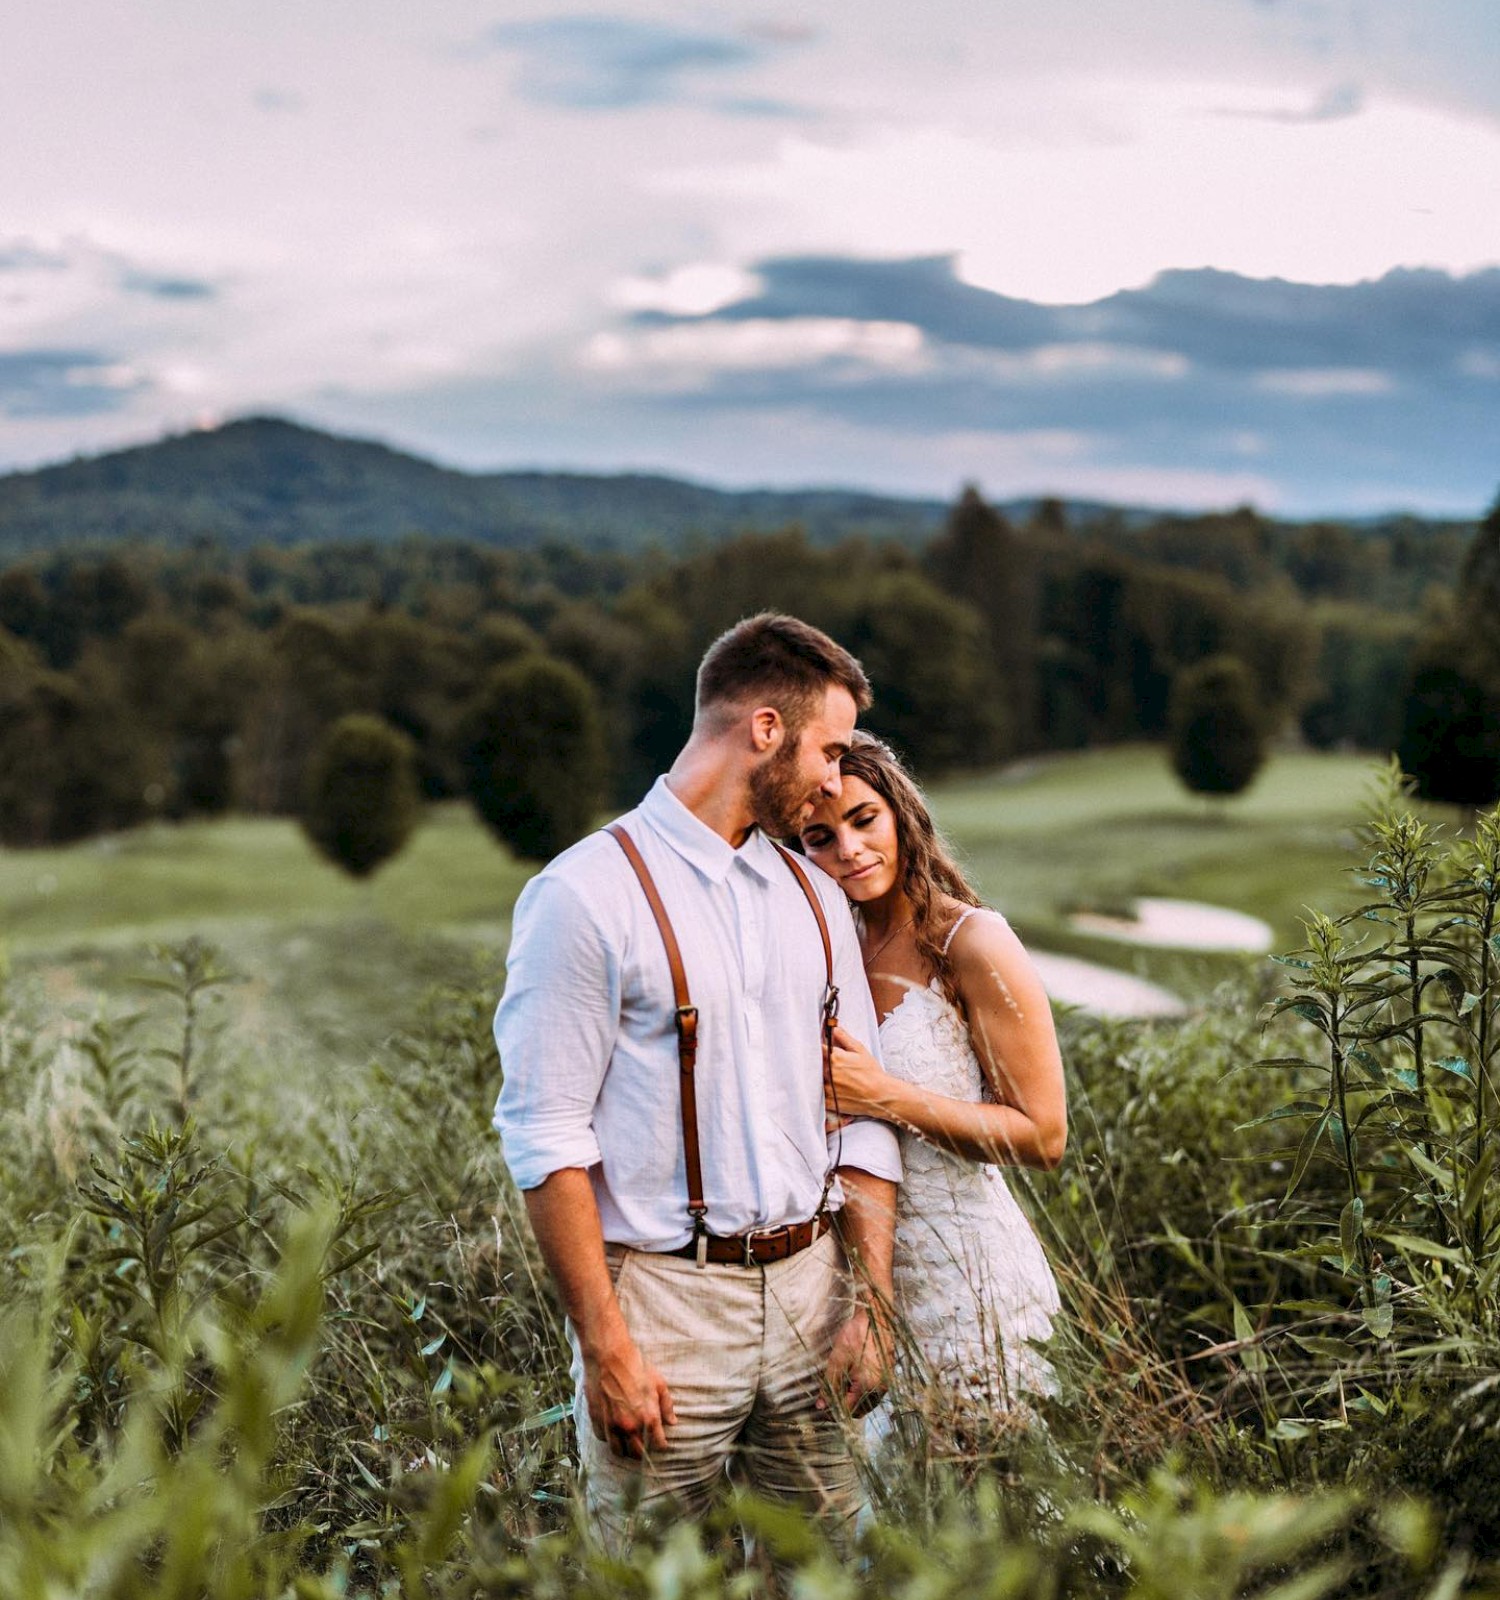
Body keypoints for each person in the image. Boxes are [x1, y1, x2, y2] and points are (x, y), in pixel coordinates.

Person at [493, 613, 902, 1552]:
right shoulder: (585, 895)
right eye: (829, 751)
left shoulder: (812, 894)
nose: (835, 780)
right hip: (665, 1309)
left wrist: (869, 1307)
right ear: (765, 729)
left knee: (828, 1572)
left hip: (815, 1295)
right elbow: (546, 1135)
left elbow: (864, 1115)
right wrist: (606, 1345)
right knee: (651, 1573)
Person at [798, 731, 1065, 1418]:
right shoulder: (827, 953)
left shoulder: (969, 941)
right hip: (855, 1291)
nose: (849, 851)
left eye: (864, 821)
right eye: (820, 838)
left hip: (967, 1281)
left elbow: (1043, 1136)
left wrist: (882, 1096)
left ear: (901, 815)